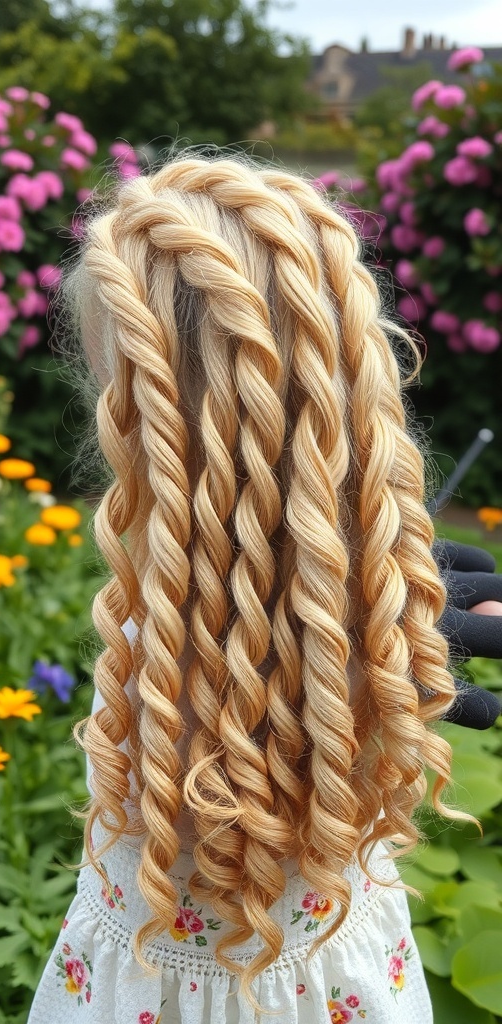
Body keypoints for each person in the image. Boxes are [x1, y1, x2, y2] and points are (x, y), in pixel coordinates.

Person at [28, 155, 501, 1024]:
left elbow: (218, 729)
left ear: (145, 421)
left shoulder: (164, 663)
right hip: (343, 967)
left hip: (157, 972)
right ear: (353, 381)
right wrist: (368, 632)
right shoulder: (351, 666)